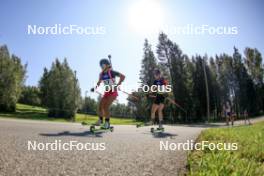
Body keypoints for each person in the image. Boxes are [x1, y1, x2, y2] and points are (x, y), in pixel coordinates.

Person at [91, 58, 125, 129]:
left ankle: (107, 123)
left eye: (103, 65)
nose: (102, 67)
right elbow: (99, 82)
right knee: (100, 106)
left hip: (113, 92)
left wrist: (118, 85)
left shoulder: (112, 72)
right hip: (107, 92)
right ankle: (100, 120)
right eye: (101, 65)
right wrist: (95, 88)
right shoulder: (101, 74)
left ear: (107, 65)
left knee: (105, 107)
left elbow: (123, 76)